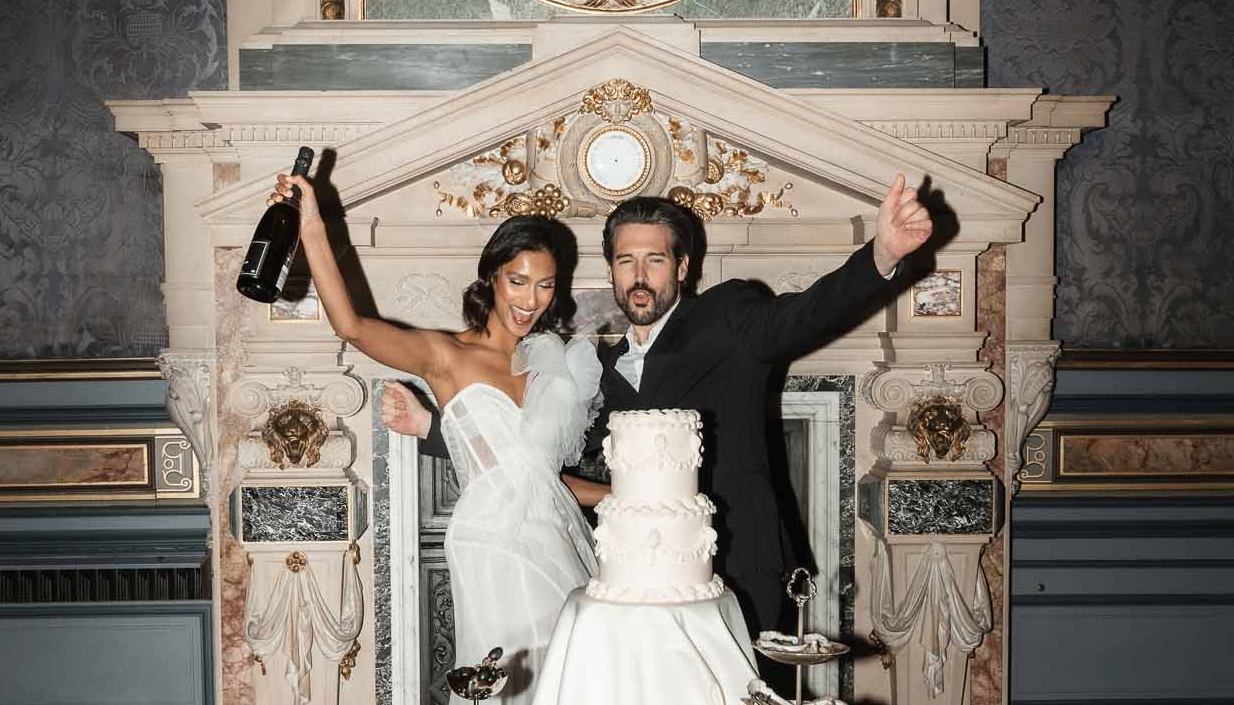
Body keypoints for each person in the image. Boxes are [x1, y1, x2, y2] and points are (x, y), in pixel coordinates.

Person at [386, 175, 933, 637]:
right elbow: (533, 459)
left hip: (743, 576)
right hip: (646, 582)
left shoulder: (728, 317)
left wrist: (881, 255)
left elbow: (805, 315)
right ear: (612, 272)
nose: (640, 276)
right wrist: (430, 427)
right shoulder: (595, 372)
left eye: (655, 259)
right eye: (626, 261)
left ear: (683, 267)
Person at [268, 170, 601, 705]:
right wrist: (312, 227)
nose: (531, 299)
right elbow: (351, 326)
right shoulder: (447, 354)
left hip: (555, 539)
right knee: (512, 684)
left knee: (571, 683)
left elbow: (538, 479)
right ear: (492, 278)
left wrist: (630, 496)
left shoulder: (548, 364)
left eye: (544, 285)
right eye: (518, 281)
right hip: (491, 542)